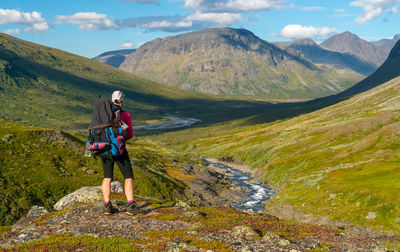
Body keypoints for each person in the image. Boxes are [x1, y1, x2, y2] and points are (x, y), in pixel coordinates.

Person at [102, 90, 138, 215]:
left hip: (105, 149)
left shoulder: (103, 113)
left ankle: (107, 205)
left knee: (107, 177)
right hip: (120, 150)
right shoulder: (125, 115)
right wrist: (121, 141)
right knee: (128, 176)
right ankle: (130, 204)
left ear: (112, 100)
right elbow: (130, 134)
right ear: (122, 101)